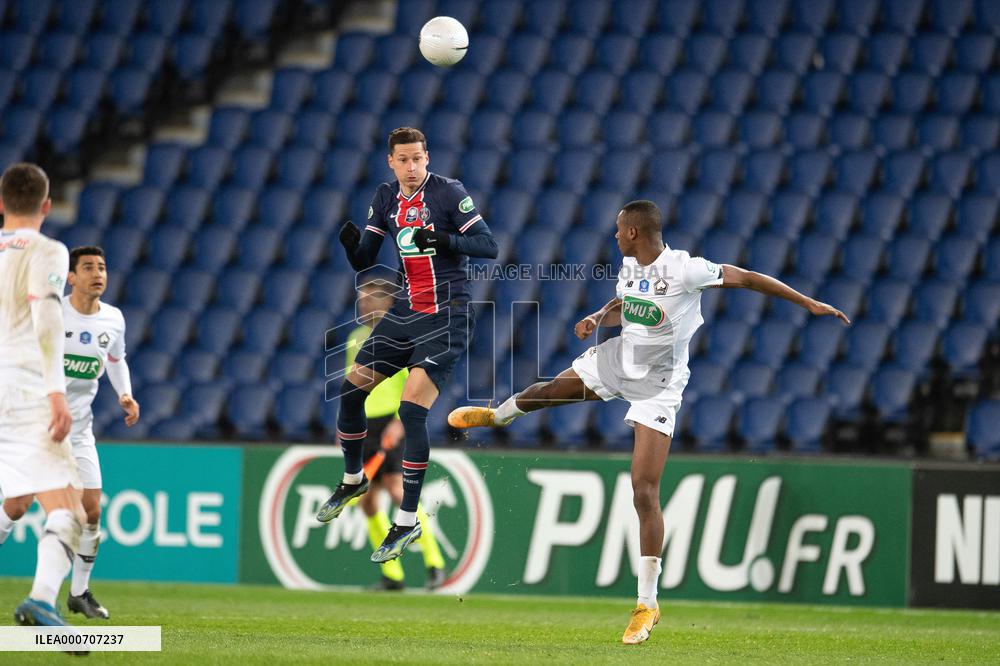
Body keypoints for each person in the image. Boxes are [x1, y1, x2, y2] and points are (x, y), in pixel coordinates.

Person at [448, 200, 850, 645]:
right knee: (543, 393)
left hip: (658, 388)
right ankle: (497, 416)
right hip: (616, 361)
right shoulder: (628, 266)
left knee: (643, 490)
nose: (616, 235)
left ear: (635, 232)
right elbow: (626, 302)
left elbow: (748, 277)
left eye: (620, 230)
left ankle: (647, 603)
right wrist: (600, 317)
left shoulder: (686, 269)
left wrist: (808, 302)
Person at [317, 127, 498, 564]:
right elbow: (366, 259)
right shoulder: (386, 198)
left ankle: (406, 520)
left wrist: (445, 240)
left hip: (447, 315)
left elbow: (487, 246)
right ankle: (353, 478)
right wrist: (350, 248)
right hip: (405, 312)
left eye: (419, 158)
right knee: (350, 389)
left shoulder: (449, 193)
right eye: (404, 160)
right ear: (391, 162)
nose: (413, 167)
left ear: (427, 157)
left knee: (411, 411)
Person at [0, 245, 139, 620]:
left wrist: (124, 393)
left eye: (103, 267)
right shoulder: (50, 313)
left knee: (91, 510)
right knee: (15, 507)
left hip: (78, 431)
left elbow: (115, 359)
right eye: (89, 267)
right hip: (38, 426)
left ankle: (78, 593)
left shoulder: (113, 320)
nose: (98, 273)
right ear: (71, 277)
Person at [0, 163, 85, 630]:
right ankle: (40, 601)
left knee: (13, 503)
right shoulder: (47, 250)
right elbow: (47, 317)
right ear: (46, 206)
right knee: (69, 508)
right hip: (23, 388)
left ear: (1, 204)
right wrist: (56, 392)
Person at [343, 278, 447, 591]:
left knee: (397, 492)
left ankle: (435, 564)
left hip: (393, 420)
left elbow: (417, 386)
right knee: (368, 503)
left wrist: (399, 424)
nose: (362, 303)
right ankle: (393, 575)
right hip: (365, 425)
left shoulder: (403, 337)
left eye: (369, 298)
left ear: (388, 302)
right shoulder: (355, 338)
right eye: (360, 298)